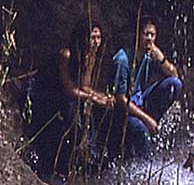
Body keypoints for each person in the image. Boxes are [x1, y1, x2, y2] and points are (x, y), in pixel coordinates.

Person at [29, 16, 126, 175]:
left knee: (97, 107)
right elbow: (69, 88)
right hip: (46, 93)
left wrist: (103, 97)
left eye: (99, 38)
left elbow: (85, 86)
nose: (96, 42)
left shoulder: (90, 56)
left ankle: (93, 154)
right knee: (75, 106)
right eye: (92, 38)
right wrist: (94, 98)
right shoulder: (66, 55)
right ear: (83, 38)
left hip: (68, 94)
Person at [112, 15, 183, 140]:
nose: (149, 39)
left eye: (152, 35)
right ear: (138, 35)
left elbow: (175, 76)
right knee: (141, 129)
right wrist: (147, 119)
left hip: (140, 100)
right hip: (122, 111)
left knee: (174, 84)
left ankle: (153, 126)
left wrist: (162, 59)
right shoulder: (122, 60)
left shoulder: (148, 56)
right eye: (146, 34)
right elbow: (121, 100)